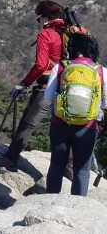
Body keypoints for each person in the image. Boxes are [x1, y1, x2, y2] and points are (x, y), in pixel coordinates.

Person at [4, 0, 66, 165]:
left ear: (45, 17)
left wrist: (23, 83)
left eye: (39, 18)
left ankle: (11, 159)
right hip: (69, 87)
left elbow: (41, 65)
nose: (39, 21)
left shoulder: (47, 34)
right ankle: (69, 167)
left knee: (28, 123)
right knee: (66, 126)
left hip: (47, 87)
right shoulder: (69, 32)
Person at [43, 33, 106, 196]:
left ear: (70, 49)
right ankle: (77, 206)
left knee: (57, 165)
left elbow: (47, 97)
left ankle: (49, 203)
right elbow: (105, 103)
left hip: (60, 124)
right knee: (82, 169)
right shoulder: (101, 71)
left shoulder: (61, 67)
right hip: (88, 127)